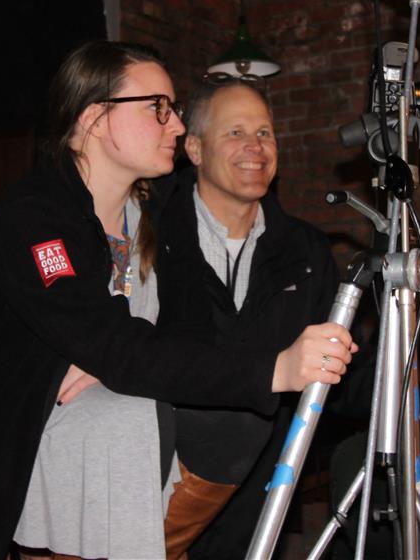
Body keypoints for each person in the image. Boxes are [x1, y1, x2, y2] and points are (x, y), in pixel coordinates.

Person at [0, 41, 355, 560]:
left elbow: (180, 335)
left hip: (95, 408)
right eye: (158, 108)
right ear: (96, 117)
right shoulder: (33, 223)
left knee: (233, 419)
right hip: (1, 444)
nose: (178, 126)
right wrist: (272, 369)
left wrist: (105, 363)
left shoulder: (153, 223)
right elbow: (110, 340)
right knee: (127, 418)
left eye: (175, 110)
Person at [153, 78, 341, 559]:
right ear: (193, 148)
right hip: (158, 494)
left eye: (265, 133)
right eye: (235, 132)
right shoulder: (150, 236)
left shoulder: (308, 251)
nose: (255, 147)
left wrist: (417, 399)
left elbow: (341, 368)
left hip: (260, 504)